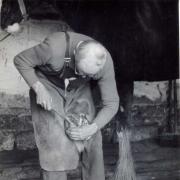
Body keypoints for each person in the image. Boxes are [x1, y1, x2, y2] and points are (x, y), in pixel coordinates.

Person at [14, 30, 119, 180]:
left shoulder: (104, 61)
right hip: (47, 83)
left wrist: (92, 127)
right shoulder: (53, 48)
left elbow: (112, 102)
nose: (84, 76)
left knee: (92, 137)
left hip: (78, 87)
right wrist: (38, 88)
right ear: (75, 54)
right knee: (53, 140)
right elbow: (21, 60)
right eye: (82, 71)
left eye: (89, 75)